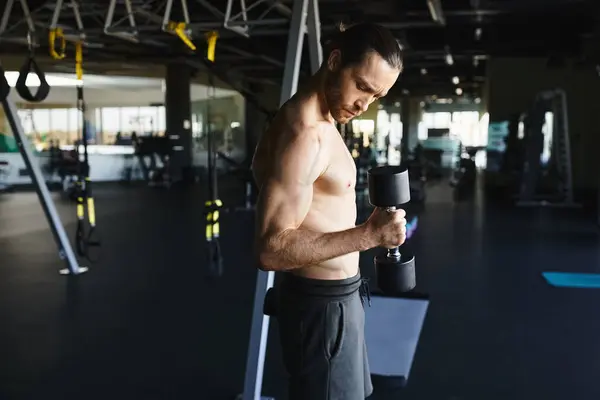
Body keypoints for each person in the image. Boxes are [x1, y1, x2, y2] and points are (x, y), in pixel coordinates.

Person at [252, 22, 406, 400]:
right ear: (335, 60)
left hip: (337, 300)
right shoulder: (305, 134)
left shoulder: (323, 120)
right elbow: (271, 249)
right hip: (321, 308)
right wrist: (369, 235)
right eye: (363, 87)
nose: (364, 104)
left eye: (376, 96)